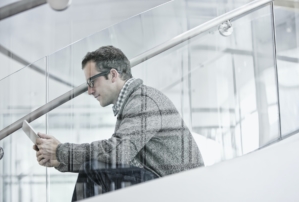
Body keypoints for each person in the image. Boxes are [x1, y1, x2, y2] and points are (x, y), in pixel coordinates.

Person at [34, 45, 204, 201]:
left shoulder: (144, 100)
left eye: (92, 82)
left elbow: (117, 154)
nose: (89, 90)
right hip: (169, 189)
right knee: (98, 169)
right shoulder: (133, 103)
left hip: (181, 194)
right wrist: (60, 159)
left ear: (113, 75)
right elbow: (117, 159)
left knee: (95, 170)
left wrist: (61, 151)